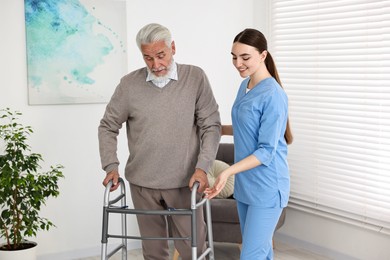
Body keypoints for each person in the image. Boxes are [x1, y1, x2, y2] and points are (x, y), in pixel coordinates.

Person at [98, 23, 221, 260]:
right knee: (154, 253)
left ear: (172, 48)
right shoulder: (128, 85)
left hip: (186, 182)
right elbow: (107, 126)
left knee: (192, 250)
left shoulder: (195, 77)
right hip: (143, 184)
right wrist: (110, 166)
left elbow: (211, 126)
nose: (156, 64)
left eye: (160, 55)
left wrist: (203, 167)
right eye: (148, 58)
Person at [205, 28, 293, 259]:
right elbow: (247, 129)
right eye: (234, 57)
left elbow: (266, 151)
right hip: (247, 186)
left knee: (250, 255)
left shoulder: (273, 94)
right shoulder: (245, 87)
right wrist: (215, 129)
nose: (238, 63)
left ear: (263, 55)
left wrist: (228, 172)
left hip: (267, 187)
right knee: (261, 253)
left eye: (245, 57)